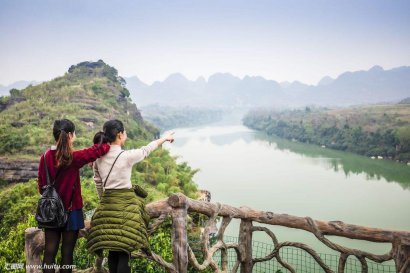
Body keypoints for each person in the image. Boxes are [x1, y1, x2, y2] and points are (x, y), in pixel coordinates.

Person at [86, 119, 174, 273]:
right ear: (120, 135)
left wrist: (105, 201)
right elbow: (147, 149)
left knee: (113, 249)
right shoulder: (127, 156)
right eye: (124, 132)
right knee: (124, 251)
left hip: (107, 206)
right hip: (127, 208)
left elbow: (98, 184)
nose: (125, 134)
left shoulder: (98, 159)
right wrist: (165, 138)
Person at [37, 119, 111, 273]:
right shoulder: (74, 157)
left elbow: (41, 186)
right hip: (72, 211)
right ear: (70, 135)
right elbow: (96, 150)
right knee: (67, 253)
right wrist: (107, 141)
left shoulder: (44, 157)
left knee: (49, 252)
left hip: (50, 211)